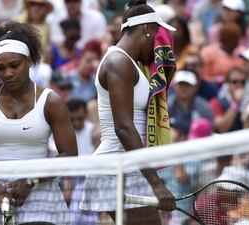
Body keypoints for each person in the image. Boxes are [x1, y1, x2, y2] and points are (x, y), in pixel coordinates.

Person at [0, 21, 77, 225]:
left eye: (14, 65)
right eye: (1, 67)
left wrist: (31, 180)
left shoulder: (51, 101)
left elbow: (69, 154)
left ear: (29, 61)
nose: (8, 73)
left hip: (43, 201)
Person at [80, 0, 177, 224]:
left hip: (130, 166)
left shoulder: (131, 64)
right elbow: (123, 127)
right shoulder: (118, 62)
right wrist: (156, 183)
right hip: (117, 167)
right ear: (147, 29)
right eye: (157, 35)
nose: (158, 44)